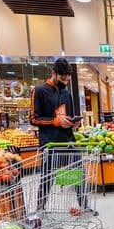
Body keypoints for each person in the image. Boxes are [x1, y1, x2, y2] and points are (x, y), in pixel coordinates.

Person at [29, 58, 82, 210]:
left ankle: (84, 206)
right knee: (47, 178)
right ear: (54, 73)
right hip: (50, 144)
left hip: (68, 141)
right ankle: (40, 209)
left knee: (79, 174)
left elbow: (70, 116)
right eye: (62, 77)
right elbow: (33, 118)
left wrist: (74, 123)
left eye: (68, 77)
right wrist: (55, 121)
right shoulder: (39, 91)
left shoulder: (67, 94)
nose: (66, 81)